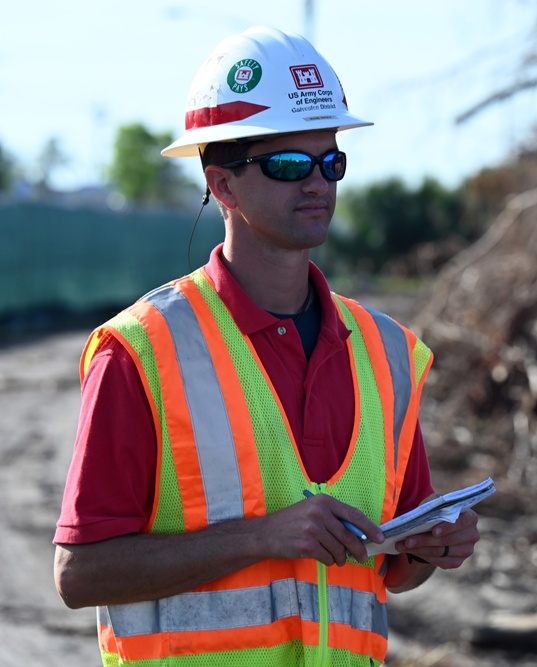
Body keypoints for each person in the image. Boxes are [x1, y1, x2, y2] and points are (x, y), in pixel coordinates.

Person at [53, 25, 480, 666]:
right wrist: (265, 537)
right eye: (287, 164)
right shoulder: (141, 352)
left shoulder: (386, 355)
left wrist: (429, 549)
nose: (317, 183)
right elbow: (79, 574)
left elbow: (390, 573)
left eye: (331, 161)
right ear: (221, 185)